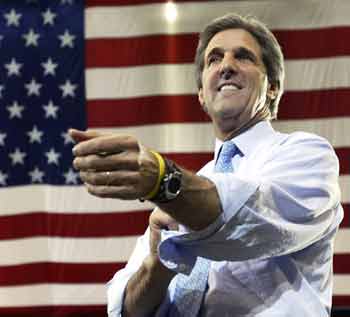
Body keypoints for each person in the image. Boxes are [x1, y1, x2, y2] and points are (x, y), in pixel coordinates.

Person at [70, 13, 343, 317]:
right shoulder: (185, 191)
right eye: (214, 59)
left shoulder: (306, 155)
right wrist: (158, 264)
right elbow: (126, 309)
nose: (226, 66)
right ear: (201, 93)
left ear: (273, 87)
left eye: (243, 56)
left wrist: (164, 181)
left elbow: (247, 219)